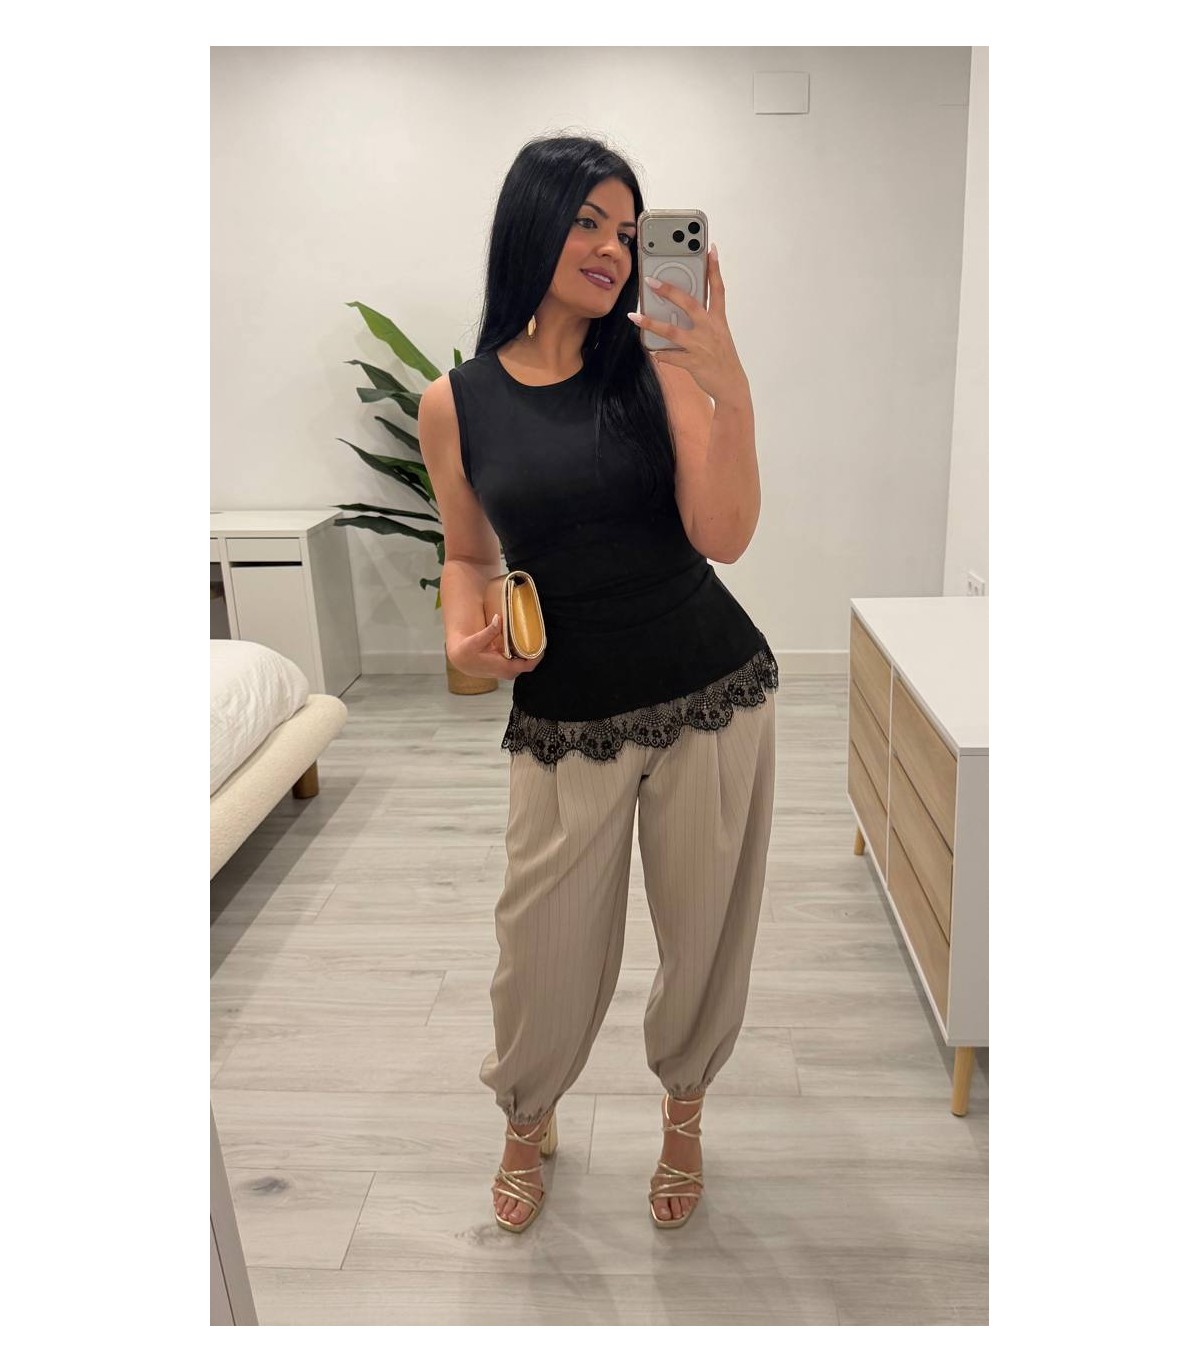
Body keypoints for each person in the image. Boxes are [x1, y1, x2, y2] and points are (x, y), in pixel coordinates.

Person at [417, 134, 778, 1233]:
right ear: (530, 223)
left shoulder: (652, 364)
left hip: (709, 691)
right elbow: (468, 554)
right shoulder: (455, 402)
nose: (615, 248)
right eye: (588, 221)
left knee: (704, 934)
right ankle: (527, 1116)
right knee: (542, 948)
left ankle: (684, 1112)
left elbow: (723, 536)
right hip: (564, 710)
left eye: (629, 230)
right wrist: (464, 638)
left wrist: (725, 385)